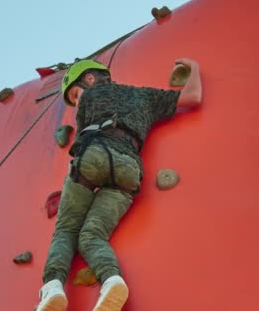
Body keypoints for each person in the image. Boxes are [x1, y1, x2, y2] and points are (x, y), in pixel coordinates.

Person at [37, 57, 202, 311]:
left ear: (89, 79)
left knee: (67, 230)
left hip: (96, 155)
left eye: (76, 94)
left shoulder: (92, 97)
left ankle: (52, 288)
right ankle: (112, 281)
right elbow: (192, 96)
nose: (77, 102)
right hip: (129, 170)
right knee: (92, 235)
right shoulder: (146, 97)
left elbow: (83, 138)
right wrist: (194, 68)